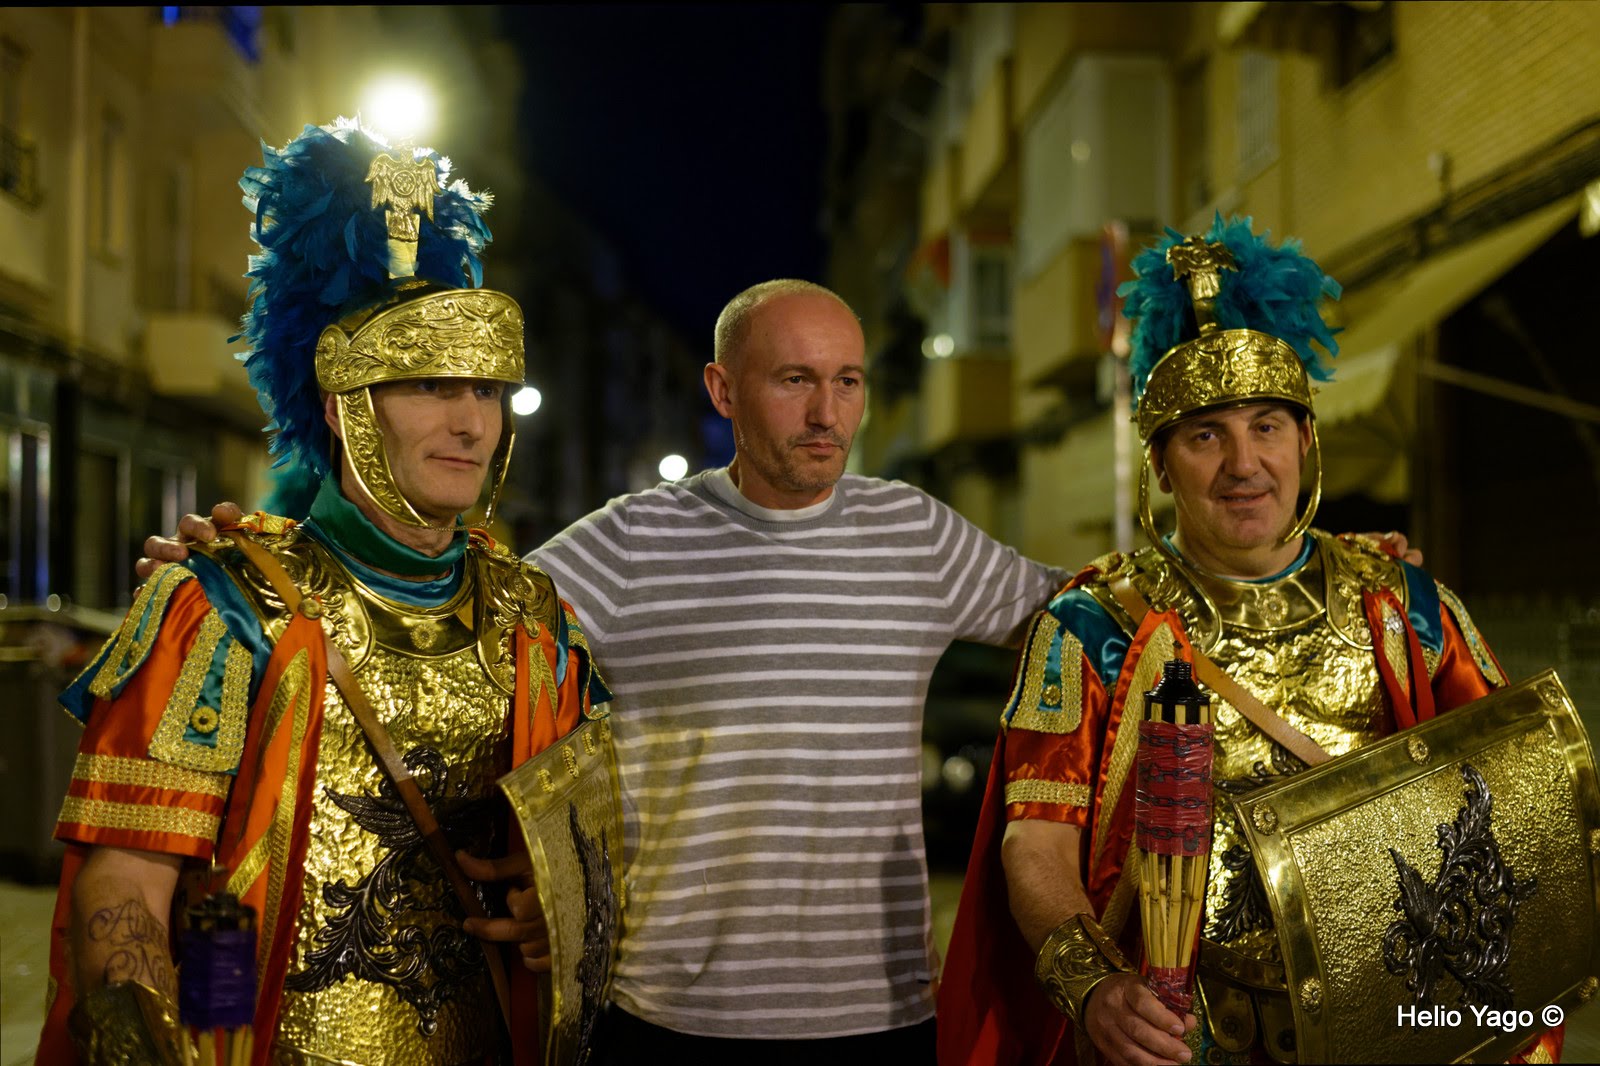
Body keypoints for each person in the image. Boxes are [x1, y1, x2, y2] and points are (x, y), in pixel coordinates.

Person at [143, 275, 1421, 1061]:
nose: (828, 412)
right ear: (722, 390)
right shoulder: (629, 547)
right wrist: (267, 551)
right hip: (664, 1023)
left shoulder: (917, 531)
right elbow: (454, 605)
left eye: (849, 380)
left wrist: (1322, 564)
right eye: (795, 380)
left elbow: (1118, 622)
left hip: (877, 1018)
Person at [39, 120, 604, 1065]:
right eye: (428, 384)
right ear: (345, 405)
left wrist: (562, 914)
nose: (470, 421)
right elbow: (128, 883)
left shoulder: (536, 621)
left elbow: (586, 865)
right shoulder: (221, 604)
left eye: (487, 389)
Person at [934, 216, 1559, 1066]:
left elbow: (1519, 808)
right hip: (1183, 1043)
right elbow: (1035, 842)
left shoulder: (1406, 607)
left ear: (1306, 440)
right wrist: (1093, 986)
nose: (1243, 464)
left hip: (1390, 1031)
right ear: (1159, 466)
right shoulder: (1091, 628)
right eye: (1205, 436)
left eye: (1267, 425)